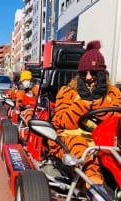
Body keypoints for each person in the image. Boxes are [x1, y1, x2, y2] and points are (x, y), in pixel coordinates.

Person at [50, 40, 121, 199]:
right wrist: (83, 103)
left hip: (105, 141)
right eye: (84, 74)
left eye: (93, 73)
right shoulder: (67, 92)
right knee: (83, 151)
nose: (88, 78)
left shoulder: (113, 94)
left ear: (102, 74)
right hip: (70, 139)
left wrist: (98, 100)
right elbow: (61, 121)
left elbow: (117, 119)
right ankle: (95, 190)